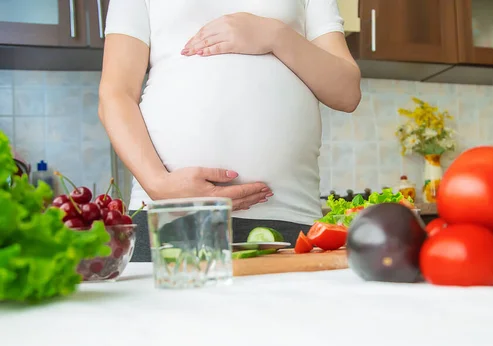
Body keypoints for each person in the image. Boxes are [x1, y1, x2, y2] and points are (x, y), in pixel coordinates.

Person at [98, 0, 361, 262]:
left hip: (288, 216)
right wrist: (158, 184)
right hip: (168, 214)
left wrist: (275, 35)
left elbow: (347, 93)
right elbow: (115, 93)